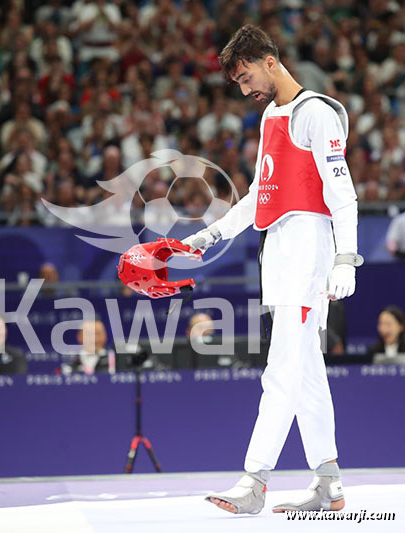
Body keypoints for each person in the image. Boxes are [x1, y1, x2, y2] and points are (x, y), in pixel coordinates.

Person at [182, 25, 362, 515]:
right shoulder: (270, 117)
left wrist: (346, 256)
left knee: (281, 369)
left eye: (245, 77)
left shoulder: (317, 115)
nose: (244, 89)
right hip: (277, 252)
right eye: (237, 83)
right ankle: (328, 480)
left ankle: (255, 480)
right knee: (305, 373)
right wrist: (208, 235)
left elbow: (342, 194)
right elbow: (261, 199)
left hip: (309, 253)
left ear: (269, 59)